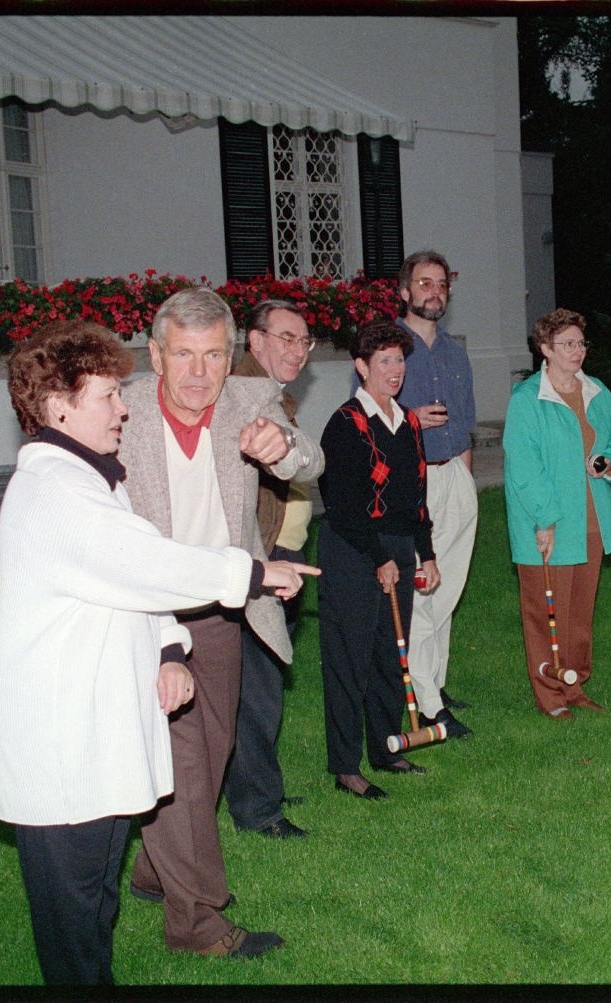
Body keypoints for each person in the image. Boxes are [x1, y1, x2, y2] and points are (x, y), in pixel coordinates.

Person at [0, 320, 317, 983]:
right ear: (58, 406)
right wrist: (251, 573)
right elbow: (144, 561)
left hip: (94, 737)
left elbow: (129, 578)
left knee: (97, 902)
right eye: (108, 395)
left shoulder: (92, 480)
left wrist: (167, 643)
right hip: (62, 752)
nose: (124, 405)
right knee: (75, 932)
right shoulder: (55, 491)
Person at [116, 287, 321, 957]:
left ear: (231, 356)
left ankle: (154, 869)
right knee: (185, 765)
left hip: (222, 609)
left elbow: (310, 458)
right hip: (147, 611)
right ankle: (199, 920)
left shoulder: (244, 400)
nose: (200, 373)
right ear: (155, 355)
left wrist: (278, 450)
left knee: (218, 744)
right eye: (183, 355)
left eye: (213, 355)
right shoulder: (123, 416)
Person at [318, 319, 441, 798]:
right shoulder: (346, 423)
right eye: (385, 361)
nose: (395, 370)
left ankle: (387, 748)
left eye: (400, 360)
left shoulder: (407, 422)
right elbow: (343, 502)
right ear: (361, 366)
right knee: (349, 659)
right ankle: (346, 767)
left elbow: (415, 493)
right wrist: (376, 557)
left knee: (391, 652)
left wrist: (424, 552)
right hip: (352, 549)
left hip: (396, 547)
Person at [222, 299, 324, 840]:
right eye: (285, 338)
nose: (297, 350)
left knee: (264, 676)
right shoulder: (242, 395)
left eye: (303, 341)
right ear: (254, 341)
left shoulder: (270, 396)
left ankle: (258, 785)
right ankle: (258, 809)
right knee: (256, 683)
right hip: (259, 560)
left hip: (282, 554)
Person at [502, 309, 611, 718]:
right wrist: (546, 518)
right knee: (546, 613)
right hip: (547, 523)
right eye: (567, 344)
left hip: (592, 520)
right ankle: (550, 695)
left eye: (580, 343)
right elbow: (524, 466)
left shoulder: (596, 391)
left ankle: (575, 686)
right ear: (545, 349)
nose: (577, 351)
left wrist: (609, 461)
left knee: (579, 613)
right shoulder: (527, 400)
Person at [393, 250, 477, 738]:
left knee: (448, 586)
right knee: (424, 589)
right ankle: (426, 703)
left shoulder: (454, 352)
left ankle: (435, 682)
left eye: (441, 284)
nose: (434, 292)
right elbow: (367, 415)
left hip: (455, 477)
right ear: (405, 292)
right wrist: (411, 420)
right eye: (424, 284)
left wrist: (464, 483)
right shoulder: (389, 347)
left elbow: (464, 422)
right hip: (413, 480)